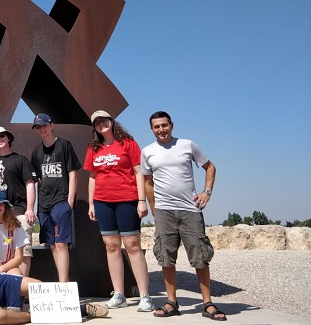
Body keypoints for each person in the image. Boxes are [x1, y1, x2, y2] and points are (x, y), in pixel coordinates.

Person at [141, 111, 226, 321]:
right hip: (164, 211)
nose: (161, 130)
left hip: (190, 209)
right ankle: (172, 302)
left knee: (200, 258)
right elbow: (147, 182)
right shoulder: (148, 151)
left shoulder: (187, 145)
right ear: (151, 129)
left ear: (171, 125)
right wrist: (154, 207)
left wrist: (207, 192)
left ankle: (208, 303)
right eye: (156, 127)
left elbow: (210, 167)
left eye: (164, 125)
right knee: (166, 257)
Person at [83, 110, 153, 312]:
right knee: (111, 247)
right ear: (94, 128)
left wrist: (142, 201)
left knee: (132, 246)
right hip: (103, 202)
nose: (101, 124)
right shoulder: (93, 148)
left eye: (104, 120)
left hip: (127, 200)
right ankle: (119, 294)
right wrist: (91, 203)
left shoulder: (128, 143)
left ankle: (145, 296)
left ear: (111, 121)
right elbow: (93, 177)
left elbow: (139, 172)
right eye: (97, 123)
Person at [30, 113, 79, 283]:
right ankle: (60, 283)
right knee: (51, 244)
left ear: (51, 125)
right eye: (38, 127)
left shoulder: (64, 145)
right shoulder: (36, 151)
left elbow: (72, 172)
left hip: (61, 200)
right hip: (44, 204)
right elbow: (38, 180)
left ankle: (63, 285)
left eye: (44, 125)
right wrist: (37, 205)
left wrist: (70, 199)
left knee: (61, 244)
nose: (42, 129)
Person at [0, 126, 37, 276]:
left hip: (19, 212)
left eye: (2, 136)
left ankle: (22, 289)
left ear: (8, 138)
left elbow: (30, 184)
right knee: (2, 252)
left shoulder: (21, 160)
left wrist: (30, 209)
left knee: (24, 251)